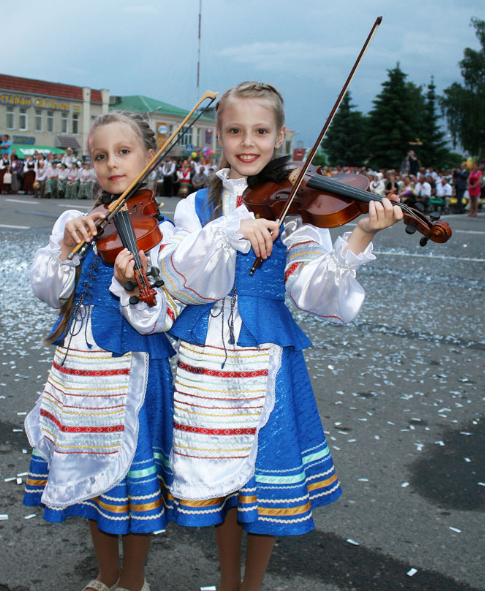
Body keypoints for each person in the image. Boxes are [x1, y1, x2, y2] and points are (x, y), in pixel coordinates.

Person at [119, 82, 403, 591]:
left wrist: (360, 236)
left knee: (263, 483)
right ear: (219, 135)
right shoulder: (194, 208)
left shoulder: (298, 208)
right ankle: (229, 582)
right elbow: (183, 280)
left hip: (267, 354)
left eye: (261, 131)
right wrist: (227, 230)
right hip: (204, 356)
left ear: (280, 136)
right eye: (235, 131)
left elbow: (312, 291)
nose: (248, 142)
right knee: (223, 486)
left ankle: (251, 586)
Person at [22, 111, 178, 591]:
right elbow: (50, 292)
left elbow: (163, 314)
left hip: (133, 369)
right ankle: (106, 574)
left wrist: (133, 285)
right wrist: (65, 249)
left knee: (132, 480)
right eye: (100, 155)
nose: (112, 164)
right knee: (86, 470)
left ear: (149, 157)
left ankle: (133, 579)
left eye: (124, 152)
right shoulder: (80, 225)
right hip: (79, 368)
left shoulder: (164, 234)